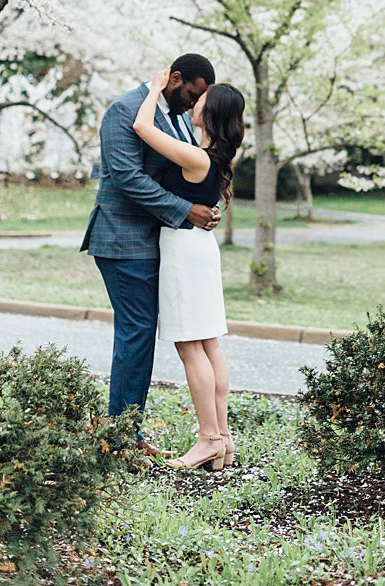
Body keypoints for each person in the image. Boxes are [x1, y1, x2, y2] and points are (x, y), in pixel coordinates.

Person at [81, 54, 221, 459]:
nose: (192, 105)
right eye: (191, 94)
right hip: (124, 240)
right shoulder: (123, 110)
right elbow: (127, 178)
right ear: (174, 79)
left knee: (144, 334)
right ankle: (122, 438)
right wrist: (184, 210)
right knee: (137, 333)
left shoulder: (175, 114)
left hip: (156, 240)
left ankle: (128, 432)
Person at [133, 68, 246, 471]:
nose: (193, 101)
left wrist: (153, 87)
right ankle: (223, 438)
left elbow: (143, 125)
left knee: (190, 346)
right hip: (200, 249)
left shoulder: (196, 157)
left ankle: (208, 439)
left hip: (183, 251)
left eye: (201, 99)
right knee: (209, 344)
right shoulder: (213, 155)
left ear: (210, 112)